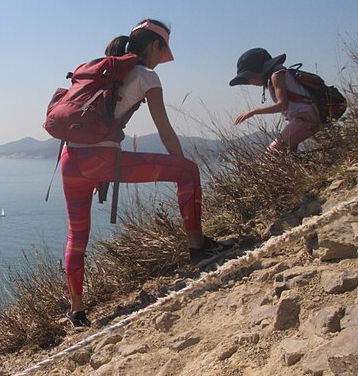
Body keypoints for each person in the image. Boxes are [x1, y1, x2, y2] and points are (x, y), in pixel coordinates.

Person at [60, 19, 233, 328]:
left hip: (69, 159)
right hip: (100, 158)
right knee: (188, 171)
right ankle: (197, 246)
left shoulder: (100, 74)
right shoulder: (146, 76)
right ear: (155, 46)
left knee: (77, 236)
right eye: (163, 51)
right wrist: (182, 168)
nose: (162, 59)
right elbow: (165, 131)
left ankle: (76, 310)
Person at [230, 48, 321, 153]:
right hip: (303, 119)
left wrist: (253, 112)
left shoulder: (276, 75)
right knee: (288, 153)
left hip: (306, 119)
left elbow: (282, 105)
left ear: (259, 71)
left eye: (250, 76)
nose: (250, 81)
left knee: (272, 153)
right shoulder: (277, 75)